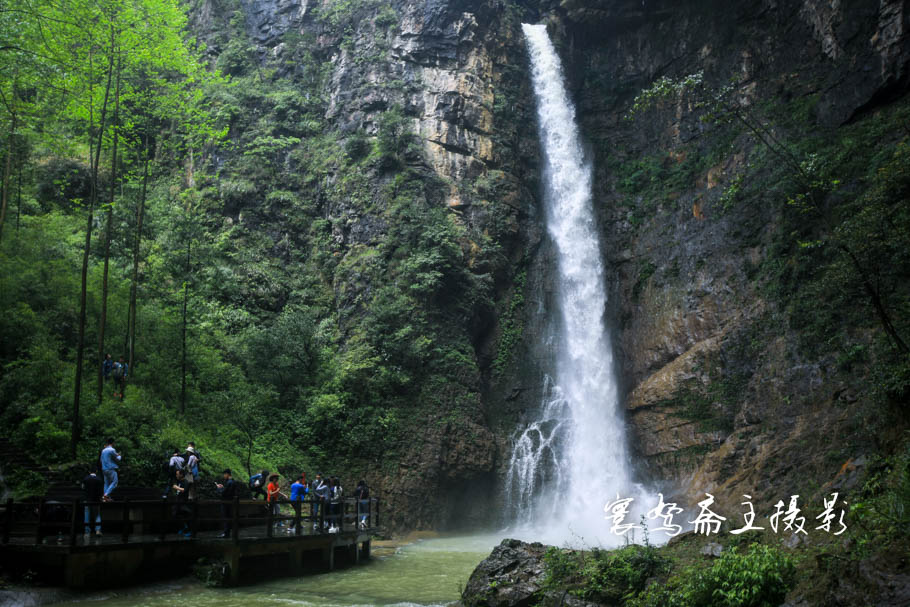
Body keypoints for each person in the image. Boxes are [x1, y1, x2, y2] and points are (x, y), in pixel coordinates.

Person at [82, 467, 104, 538]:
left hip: (87, 500)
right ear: (96, 471)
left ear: (89, 471)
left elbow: (83, 488)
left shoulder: (85, 479)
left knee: (87, 515)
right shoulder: (99, 480)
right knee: (97, 515)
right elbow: (101, 491)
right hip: (96, 500)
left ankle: (87, 531)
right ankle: (97, 530)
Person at [215, 468, 236, 538]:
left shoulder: (229, 482)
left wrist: (219, 488)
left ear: (227, 474)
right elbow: (228, 491)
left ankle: (226, 533)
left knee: (225, 517)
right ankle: (227, 533)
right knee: (228, 517)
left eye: (224, 474)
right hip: (230, 502)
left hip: (225, 502)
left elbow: (224, 493)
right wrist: (223, 487)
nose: (224, 476)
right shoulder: (233, 482)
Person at [171, 469, 191, 537]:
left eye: (177, 474)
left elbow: (184, 490)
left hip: (183, 501)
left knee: (185, 515)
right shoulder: (179, 481)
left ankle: (187, 530)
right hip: (178, 501)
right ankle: (183, 527)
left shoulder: (186, 482)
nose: (176, 475)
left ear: (181, 474)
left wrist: (176, 487)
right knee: (175, 514)